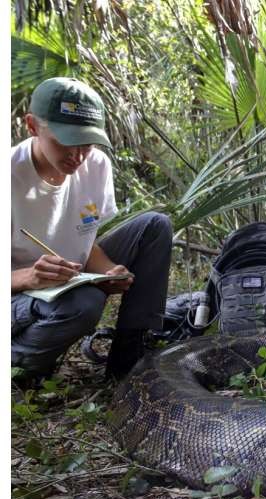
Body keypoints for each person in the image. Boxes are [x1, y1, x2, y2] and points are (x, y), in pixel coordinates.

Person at [11, 77, 173, 382]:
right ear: (32, 126)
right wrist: (27, 277)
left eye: (86, 143)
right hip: (17, 297)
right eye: (65, 141)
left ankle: (128, 356)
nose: (77, 155)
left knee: (155, 225)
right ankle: (19, 363)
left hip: (67, 280)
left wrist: (109, 271)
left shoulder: (96, 166)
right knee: (85, 303)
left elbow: (85, 242)